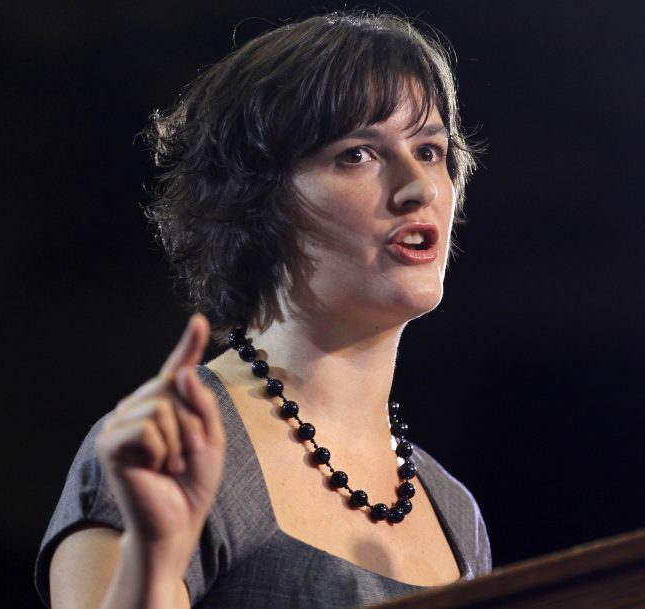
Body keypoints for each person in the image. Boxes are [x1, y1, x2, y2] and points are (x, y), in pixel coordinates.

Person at [35, 10, 491, 609]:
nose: (420, 187)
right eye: (357, 154)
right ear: (256, 200)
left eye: (429, 150)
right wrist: (151, 555)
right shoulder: (168, 447)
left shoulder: (455, 515)